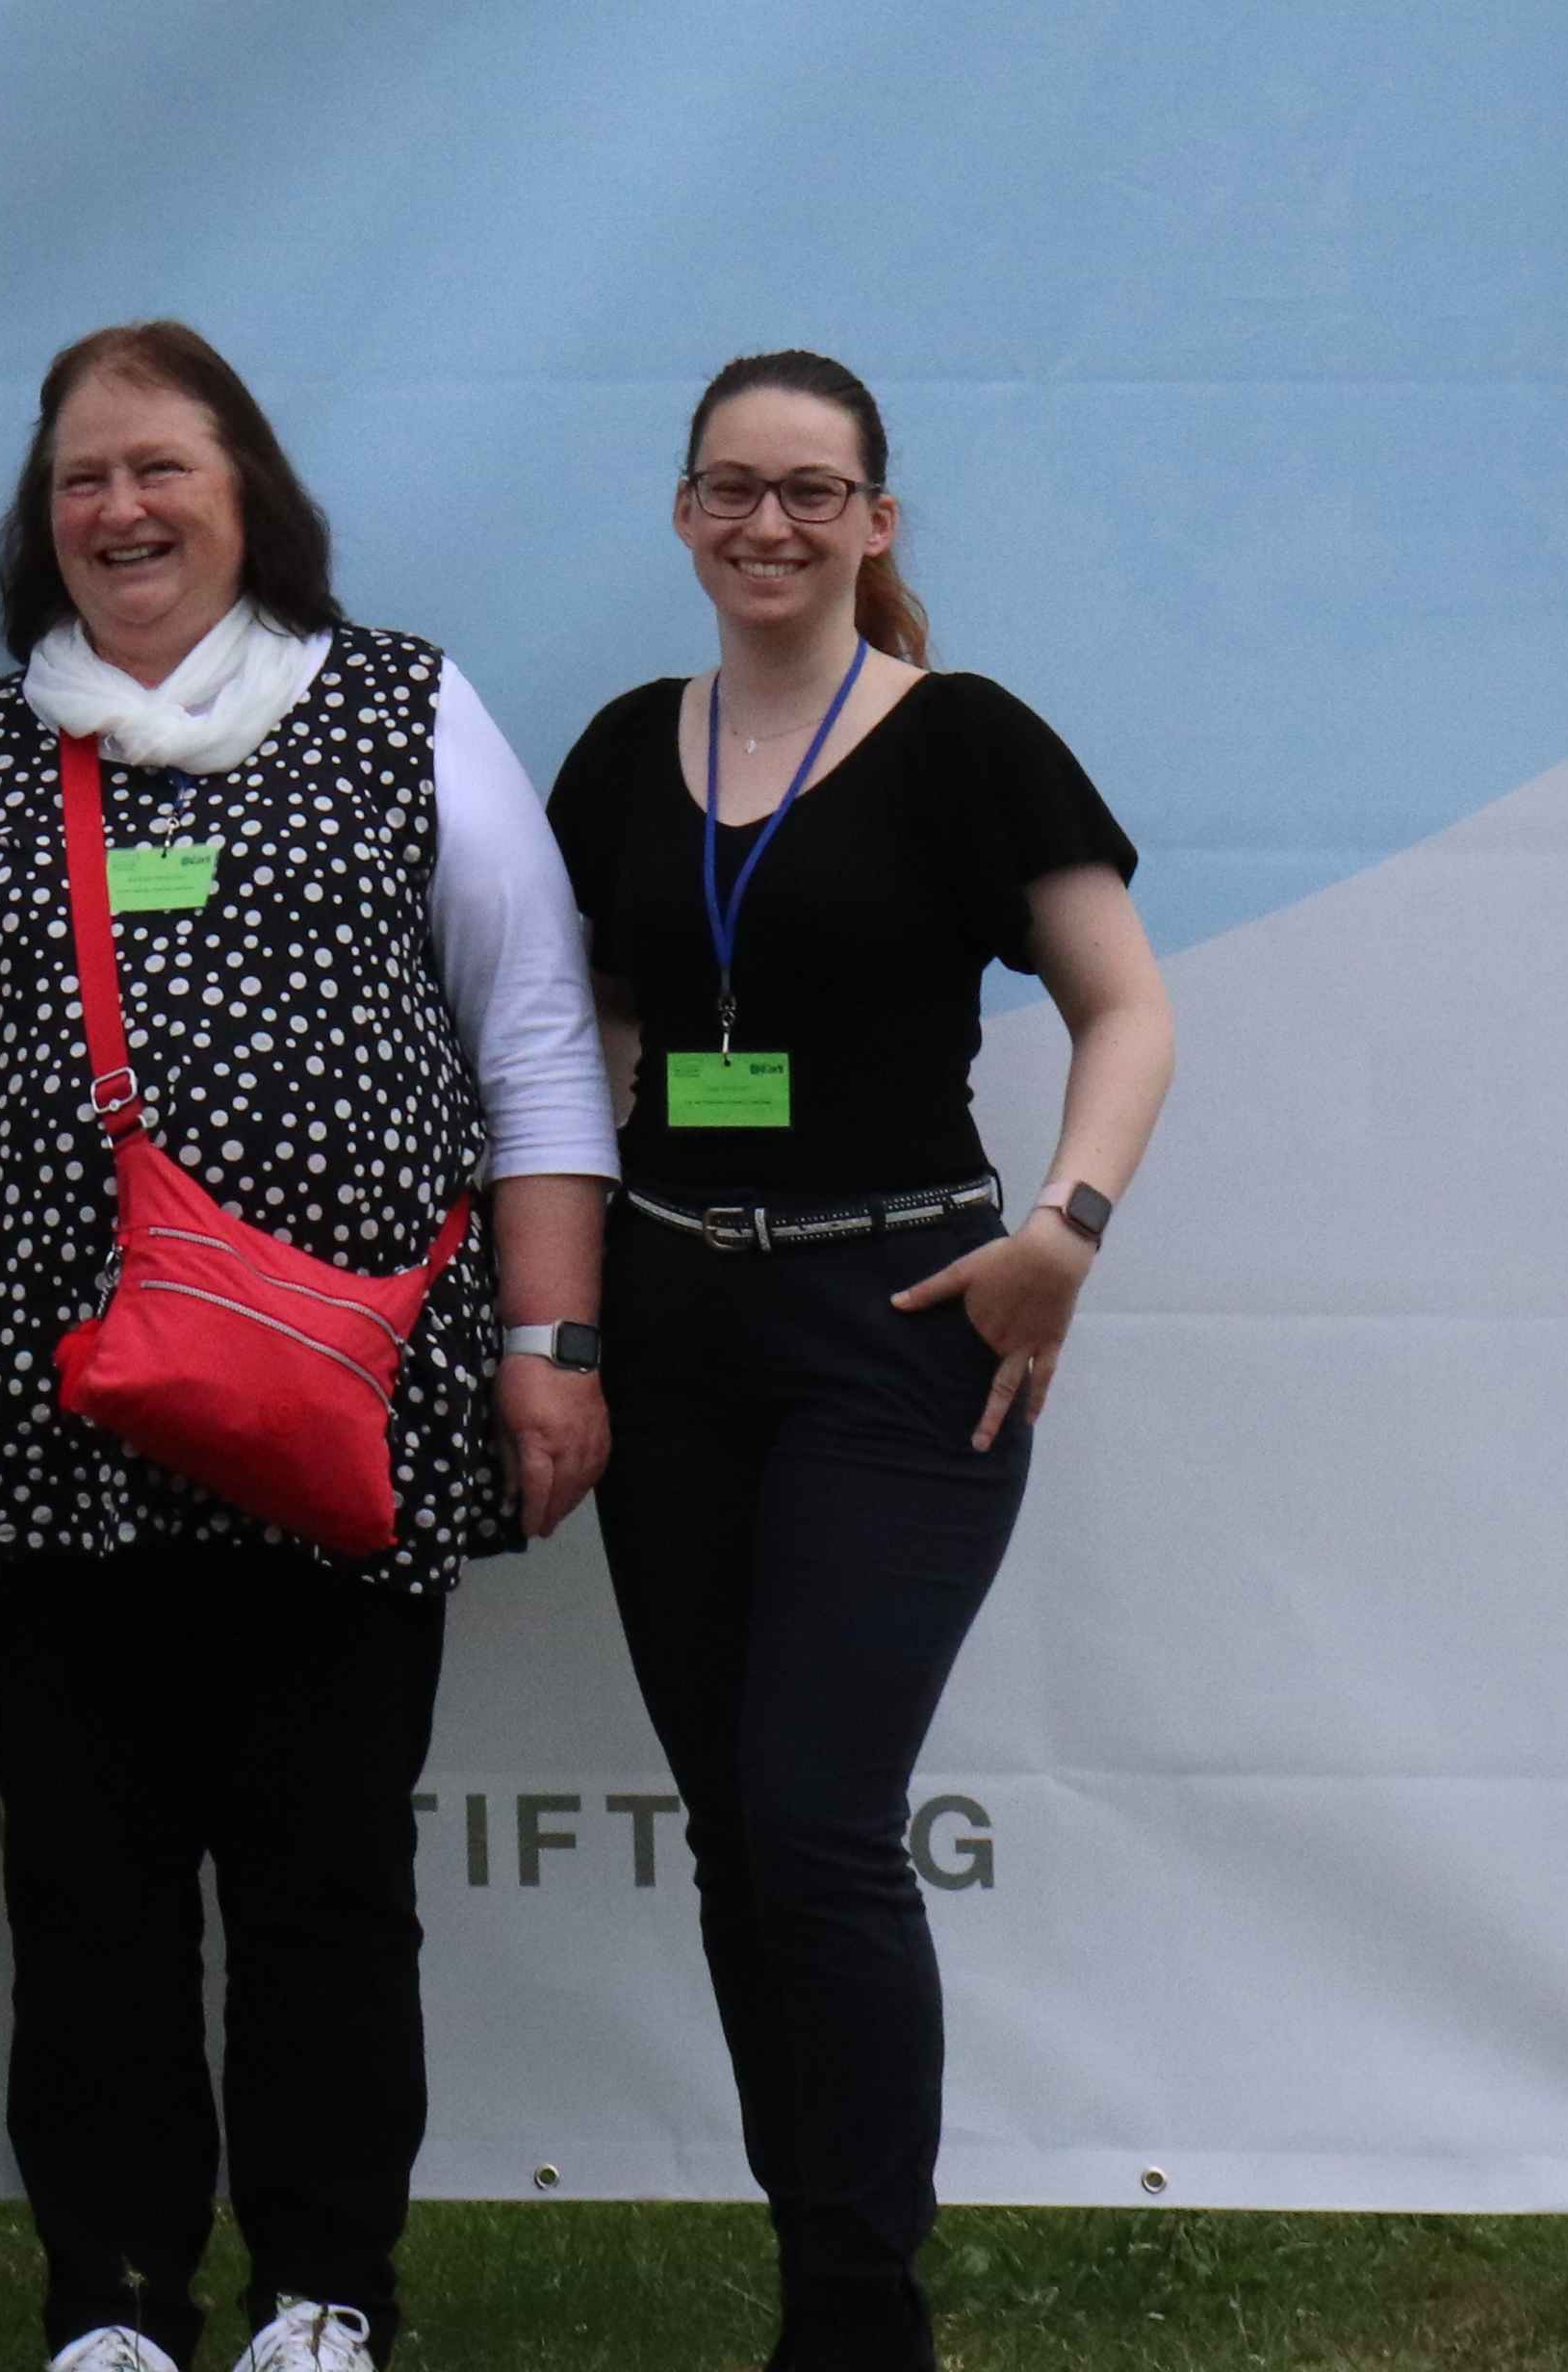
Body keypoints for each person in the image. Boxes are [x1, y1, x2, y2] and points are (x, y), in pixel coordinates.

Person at [0, 320, 614, 2372]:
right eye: (81, 480)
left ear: (252, 495)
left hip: (346, 1407)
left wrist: (555, 1338)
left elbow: (537, 1028)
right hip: (59, 1419)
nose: (120, 509)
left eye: (162, 469)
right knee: (85, 1886)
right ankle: (112, 2298)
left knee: (324, 1878)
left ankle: (330, 2291)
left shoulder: (397, 701)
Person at [538, 348, 1172, 2372]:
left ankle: (860, 2322)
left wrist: (1059, 1233)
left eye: (815, 491)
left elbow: (1127, 1009)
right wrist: (566, 1299)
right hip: (675, 1317)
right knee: (738, 1825)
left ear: (877, 521)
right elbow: (596, 1033)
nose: (772, 523)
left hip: (898, 1323)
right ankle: (821, 2264)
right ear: (683, 511)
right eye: (734, 486)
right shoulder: (633, 749)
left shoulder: (966, 740)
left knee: (816, 1814)